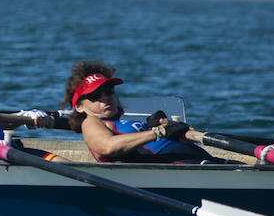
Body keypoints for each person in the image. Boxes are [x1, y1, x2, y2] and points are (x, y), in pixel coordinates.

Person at [65, 61, 215, 163]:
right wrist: (158, 132)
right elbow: (107, 147)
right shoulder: (91, 122)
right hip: (187, 172)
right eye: (95, 96)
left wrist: (177, 131)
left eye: (109, 91)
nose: (105, 98)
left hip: (203, 162)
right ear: (79, 106)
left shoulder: (124, 124)